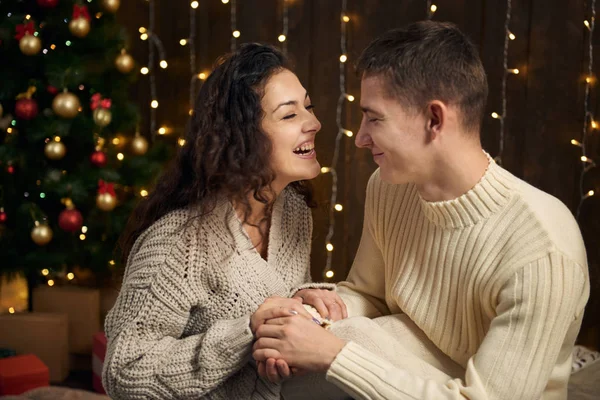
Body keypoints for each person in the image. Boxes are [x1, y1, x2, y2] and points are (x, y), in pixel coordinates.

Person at [253, 21, 590, 400]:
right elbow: (370, 296)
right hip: (413, 368)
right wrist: (316, 315)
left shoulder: (541, 250)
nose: (361, 138)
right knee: (298, 355)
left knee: (338, 350)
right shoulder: (388, 186)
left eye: (374, 118)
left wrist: (334, 355)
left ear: (434, 119)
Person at [102, 43, 344, 399]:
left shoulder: (293, 209)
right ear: (243, 135)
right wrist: (245, 333)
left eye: (308, 107)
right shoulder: (178, 243)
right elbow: (123, 372)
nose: (314, 123)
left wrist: (298, 298)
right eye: (290, 115)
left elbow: (265, 304)